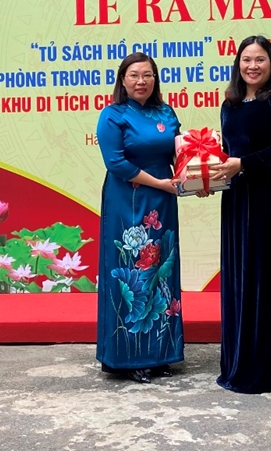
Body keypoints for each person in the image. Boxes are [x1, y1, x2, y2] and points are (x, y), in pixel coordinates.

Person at [210, 35, 271, 393]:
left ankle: (264, 367)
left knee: (262, 273)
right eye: (246, 59)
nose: (252, 66)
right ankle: (238, 359)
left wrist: (242, 163)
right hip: (235, 196)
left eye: (260, 59)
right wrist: (206, 172)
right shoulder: (229, 103)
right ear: (237, 64)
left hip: (266, 194)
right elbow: (227, 150)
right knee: (238, 275)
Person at [96, 53, 184, 384]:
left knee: (162, 269)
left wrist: (200, 177)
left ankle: (161, 353)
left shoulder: (166, 112)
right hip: (128, 200)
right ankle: (128, 357)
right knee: (132, 269)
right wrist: (160, 182)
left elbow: (181, 153)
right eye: (134, 75)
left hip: (163, 201)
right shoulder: (113, 115)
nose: (141, 81)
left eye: (148, 75)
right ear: (123, 80)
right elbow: (116, 163)